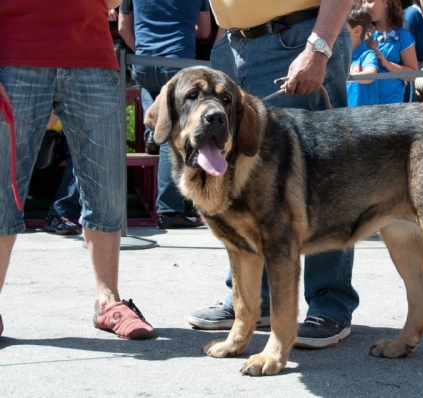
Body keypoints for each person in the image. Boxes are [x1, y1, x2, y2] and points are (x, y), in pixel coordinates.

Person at [188, 0, 360, 349]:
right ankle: (255, 303)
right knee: (239, 186)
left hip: (298, 38)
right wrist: (226, 41)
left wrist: (319, 46)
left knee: (320, 180)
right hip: (233, 47)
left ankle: (329, 304)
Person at [0, 0, 153, 339]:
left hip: (92, 57)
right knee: (1, 189)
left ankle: (108, 301)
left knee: (107, 189)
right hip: (15, 55)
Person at [118, 0, 211, 229]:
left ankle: (152, 131)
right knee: (174, 136)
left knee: (154, 101)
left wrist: (141, 49)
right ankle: (169, 210)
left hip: (143, 62)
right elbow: (205, 31)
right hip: (178, 61)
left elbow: (122, 27)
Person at [364, 0, 418, 104]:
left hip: (391, 110)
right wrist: (363, 48)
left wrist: (387, 64)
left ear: (386, 2)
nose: (365, 5)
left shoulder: (402, 37)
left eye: (370, 1)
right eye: (363, 1)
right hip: (363, 106)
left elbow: (413, 75)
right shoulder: (359, 34)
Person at [42, 114, 82, 235]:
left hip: (59, 134)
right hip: (19, 127)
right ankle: (8, 215)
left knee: (83, 149)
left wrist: (55, 112)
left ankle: (59, 214)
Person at [347, 4, 380, 106]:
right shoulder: (338, 57)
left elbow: (371, 74)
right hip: (343, 116)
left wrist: (344, 77)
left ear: (357, 30)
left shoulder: (367, 55)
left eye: (342, 29)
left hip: (366, 119)